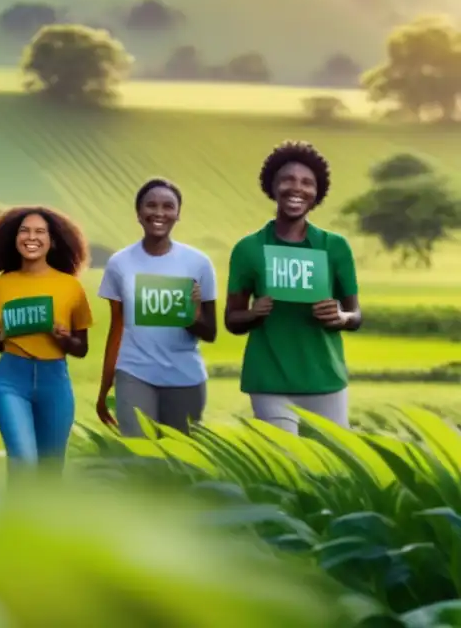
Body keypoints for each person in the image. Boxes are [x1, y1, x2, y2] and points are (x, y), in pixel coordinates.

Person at [225, 140, 362, 434]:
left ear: (317, 194)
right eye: (287, 179)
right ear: (272, 186)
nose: (297, 188)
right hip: (269, 380)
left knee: (334, 470)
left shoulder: (335, 248)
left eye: (307, 183)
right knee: (286, 464)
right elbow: (231, 320)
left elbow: (356, 315)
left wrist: (340, 317)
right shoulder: (248, 249)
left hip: (325, 379)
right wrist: (254, 313)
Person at [95, 179, 218, 437]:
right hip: (134, 373)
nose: (159, 213)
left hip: (185, 377)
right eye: (151, 205)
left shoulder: (198, 263)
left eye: (168, 206)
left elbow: (209, 333)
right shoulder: (120, 263)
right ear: (139, 214)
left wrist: (193, 314)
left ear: (178, 214)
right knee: (139, 457)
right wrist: (106, 386)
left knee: (180, 463)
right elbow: (116, 328)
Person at [0, 206, 92, 474]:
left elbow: (82, 348)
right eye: (24, 231)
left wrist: (64, 340)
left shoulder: (70, 286)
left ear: (52, 241)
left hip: (54, 381)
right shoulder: (1, 286)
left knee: (51, 470)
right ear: (14, 238)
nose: (31, 237)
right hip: (11, 380)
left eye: (40, 232)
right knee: (23, 461)